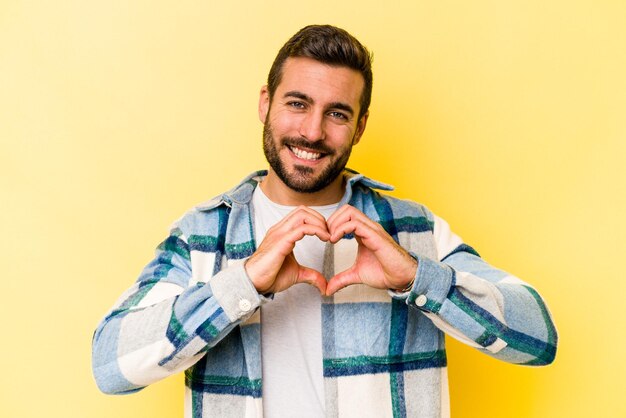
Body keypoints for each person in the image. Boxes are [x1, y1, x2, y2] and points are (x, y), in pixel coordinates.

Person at [92, 24, 557, 417]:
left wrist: (417, 278)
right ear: (265, 104)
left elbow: (539, 339)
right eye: (297, 103)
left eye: (337, 113)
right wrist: (245, 283)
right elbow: (110, 365)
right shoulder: (203, 234)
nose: (313, 132)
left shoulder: (413, 230)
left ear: (360, 126)